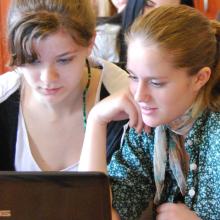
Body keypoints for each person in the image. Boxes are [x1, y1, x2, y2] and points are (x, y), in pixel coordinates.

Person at [79, 5, 220, 220]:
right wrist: (96, 119)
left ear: (200, 78)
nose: (139, 96)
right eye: (133, 77)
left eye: (156, 82)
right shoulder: (150, 128)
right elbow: (93, 214)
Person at [0, 0, 129, 171]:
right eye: (32, 61)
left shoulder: (126, 96)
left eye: (64, 60)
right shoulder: (3, 98)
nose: (48, 78)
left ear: (90, 43)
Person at [92, 0, 194, 68]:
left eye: (169, 12)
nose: (155, 16)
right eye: (149, 4)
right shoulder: (101, 38)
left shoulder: (184, 49)